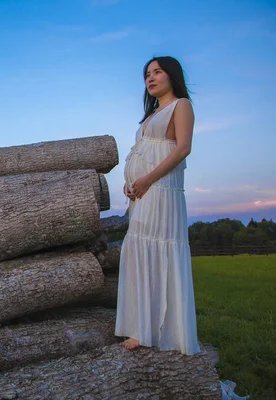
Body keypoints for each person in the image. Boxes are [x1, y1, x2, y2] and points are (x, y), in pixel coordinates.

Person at [115, 56, 201, 355]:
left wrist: (147, 179)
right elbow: (142, 152)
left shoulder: (181, 106)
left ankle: (154, 331)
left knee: (155, 251)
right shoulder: (151, 114)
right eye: (147, 74)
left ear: (172, 76)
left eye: (157, 72)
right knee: (139, 252)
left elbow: (183, 148)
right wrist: (131, 183)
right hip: (143, 193)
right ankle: (142, 326)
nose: (150, 78)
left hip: (162, 190)